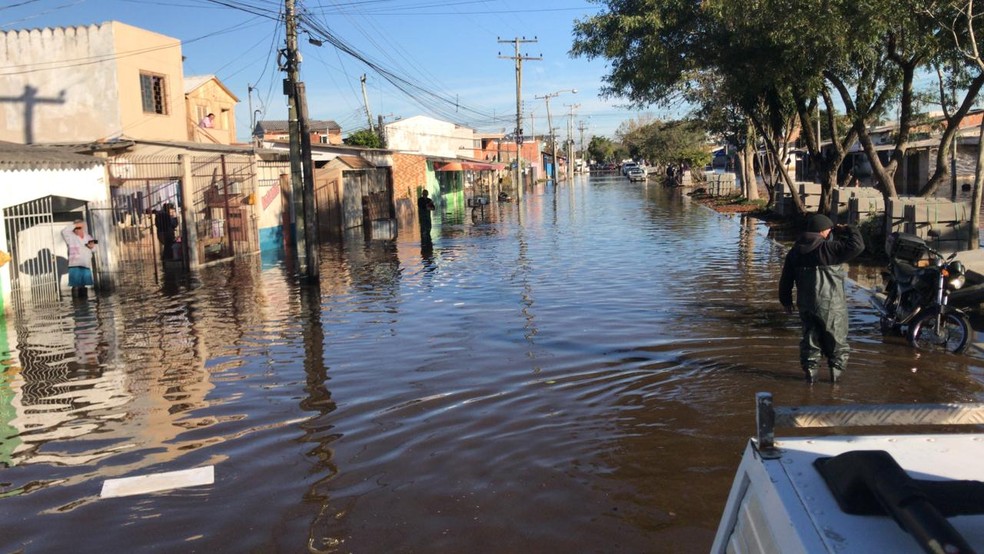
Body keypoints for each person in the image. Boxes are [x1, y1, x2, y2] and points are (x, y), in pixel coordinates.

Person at [778, 214, 864, 384]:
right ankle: (834, 382)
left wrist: (785, 301)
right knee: (836, 341)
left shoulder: (795, 252)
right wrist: (849, 229)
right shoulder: (829, 249)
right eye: (829, 230)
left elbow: (786, 279)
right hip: (832, 305)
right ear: (823, 231)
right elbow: (857, 245)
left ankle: (810, 378)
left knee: (810, 340)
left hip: (806, 305)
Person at [61, 219, 96, 298]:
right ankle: (76, 303)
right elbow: (64, 231)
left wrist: (92, 247)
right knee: (76, 285)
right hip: (75, 264)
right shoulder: (70, 236)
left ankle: (84, 303)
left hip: (85, 264)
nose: (78, 230)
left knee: (83, 285)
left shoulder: (88, 237)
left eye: (80, 228)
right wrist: (76, 225)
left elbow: (94, 249)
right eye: (76, 228)